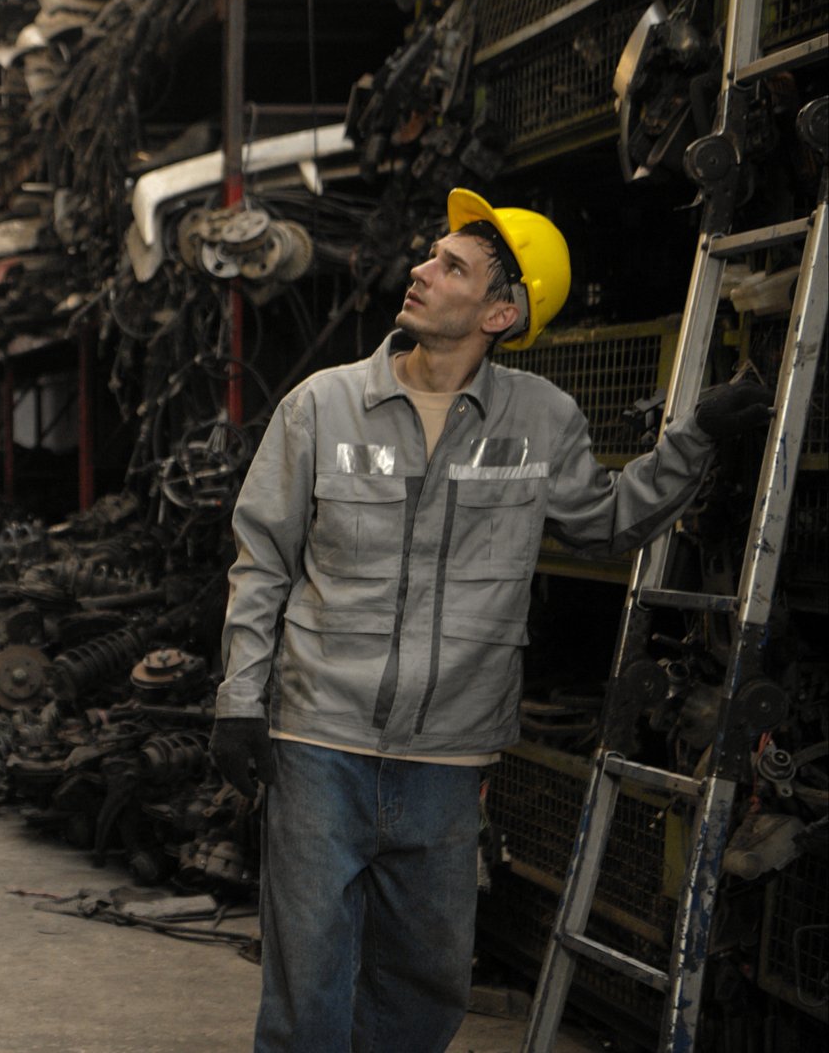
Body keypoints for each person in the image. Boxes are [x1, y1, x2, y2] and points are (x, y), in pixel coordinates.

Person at [208, 188, 772, 1053]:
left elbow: (608, 522)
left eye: (451, 266)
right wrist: (239, 702)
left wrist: (693, 439)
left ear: (502, 312)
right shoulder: (321, 407)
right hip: (321, 741)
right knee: (306, 984)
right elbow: (263, 563)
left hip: (449, 757)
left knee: (428, 984)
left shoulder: (542, 420)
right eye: (431, 256)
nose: (421, 272)